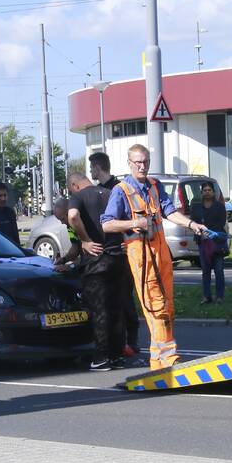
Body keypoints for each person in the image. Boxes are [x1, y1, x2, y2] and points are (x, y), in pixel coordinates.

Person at [101, 144, 206, 370]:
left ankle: (158, 360)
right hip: (142, 258)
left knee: (168, 306)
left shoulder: (155, 186)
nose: (142, 166)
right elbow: (107, 224)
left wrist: (192, 224)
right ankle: (168, 357)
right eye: (138, 162)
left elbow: (169, 211)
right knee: (156, 307)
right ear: (129, 164)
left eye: (145, 161)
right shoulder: (122, 191)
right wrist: (134, 223)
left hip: (162, 256)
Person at [66, 171, 126, 371]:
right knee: (117, 308)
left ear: (74, 186)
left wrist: (84, 240)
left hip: (96, 260)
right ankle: (118, 355)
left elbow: (73, 216)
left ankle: (101, 357)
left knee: (99, 309)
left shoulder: (78, 197)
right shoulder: (110, 193)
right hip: (117, 258)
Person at [89, 151, 140, 354]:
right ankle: (117, 342)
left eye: (92, 167)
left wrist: (126, 240)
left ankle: (133, 340)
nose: (91, 170)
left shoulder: (119, 189)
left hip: (123, 252)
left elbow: (128, 218)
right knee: (110, 300)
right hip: (105, 254)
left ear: (97, 167)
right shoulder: (96, 190)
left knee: (125, 298)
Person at [190, 181, 228, 304]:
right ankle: (206, 296)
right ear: (201, 193)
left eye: (209, 190)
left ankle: (220, 297)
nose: (207, 192)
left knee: (218, 271)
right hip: (203, 243)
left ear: (213, 192)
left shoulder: (220, 206)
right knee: (205, 271)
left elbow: (221, 223)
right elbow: (193, 223)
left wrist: (210, 233)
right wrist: (201, 233)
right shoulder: (196, 207)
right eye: (205, 190)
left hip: (217, 243)